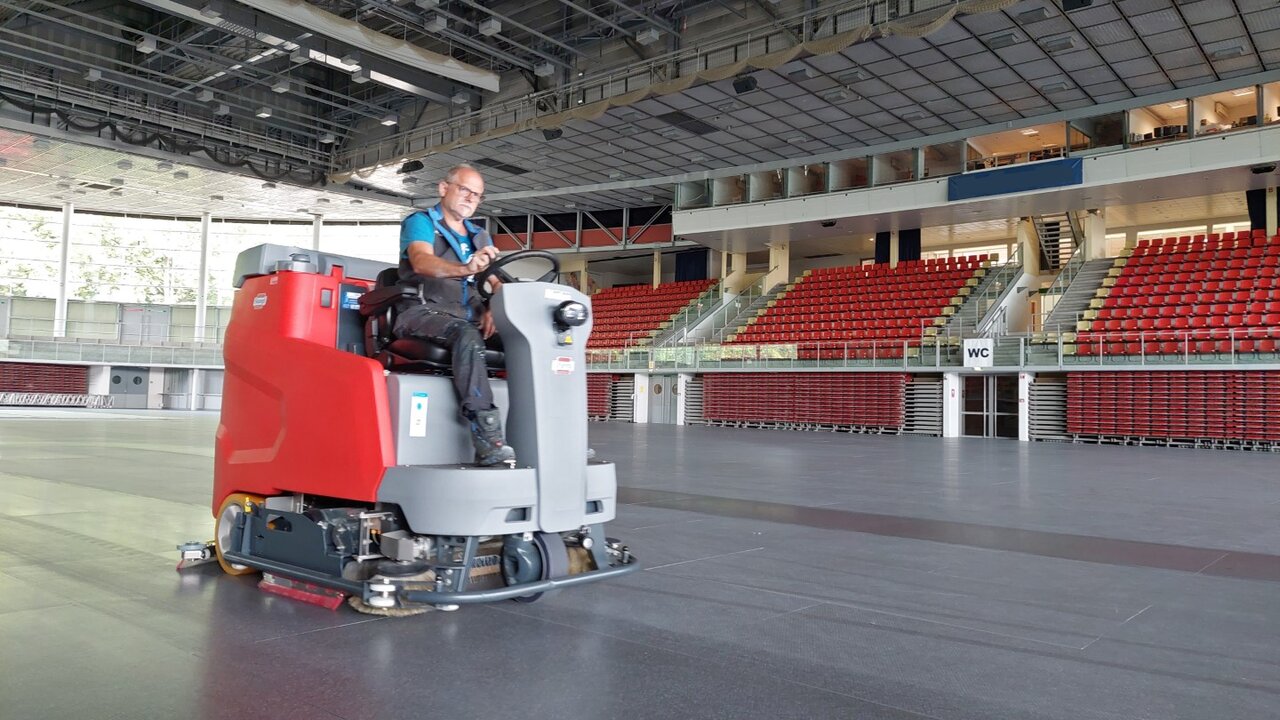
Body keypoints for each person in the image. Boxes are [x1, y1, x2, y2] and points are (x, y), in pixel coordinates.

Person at [395, 164, 514, 466]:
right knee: (466, 334)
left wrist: (493, 307)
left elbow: (497, 282)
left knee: (525, 339)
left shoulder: (479, 234)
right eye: (465, 190)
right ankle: (487, 437)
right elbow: (422, 262)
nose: (471, 198)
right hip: (422, 312)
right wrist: (466, 269)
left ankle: (540, 427)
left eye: (477, 195)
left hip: (466, 314)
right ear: (443, 188)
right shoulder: (421, 222)